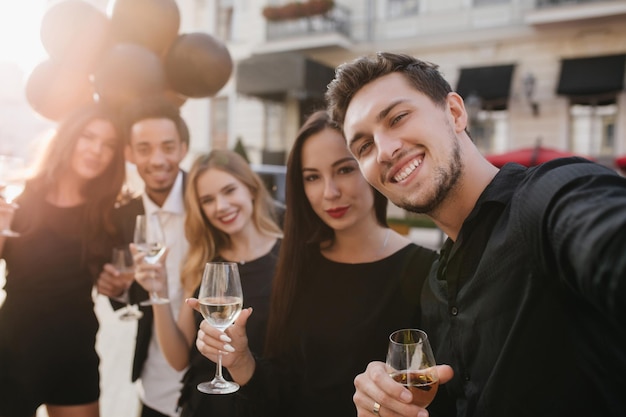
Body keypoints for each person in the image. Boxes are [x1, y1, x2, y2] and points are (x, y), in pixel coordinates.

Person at [325, 52, 626, 417]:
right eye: (364, 147)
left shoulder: (547, 198)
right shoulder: (435, 286)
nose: (385, 151)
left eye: (398, 118)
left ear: (454, 113)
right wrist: (389, 405)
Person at [192, 110, 437, 417]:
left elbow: (433, 393)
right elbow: (280, 390)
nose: (329, 192)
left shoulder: (425, 271)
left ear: (371, 163)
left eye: (344, 170)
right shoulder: (297, 262)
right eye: (312, 177)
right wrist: (241, 359)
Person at [132, 149, 283, 416]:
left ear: (250, 188)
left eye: (229, 191)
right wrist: (159, 294)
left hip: (267, 404)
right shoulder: (201, 260)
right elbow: (179, 360)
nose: (221, 206)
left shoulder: (290, 257)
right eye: (208, 200)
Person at [0, 103, 126, 417]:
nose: (97, 150)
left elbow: (121, 280)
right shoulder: (20, 199)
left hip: (76, 350)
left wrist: (121, 283)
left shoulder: (108, 214)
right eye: (88, 137)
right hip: (13, 350)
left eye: (108, 145)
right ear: (68, 138)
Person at [96, 97, 190, 417]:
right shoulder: (121, 217)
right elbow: (131, 295)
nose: (158, 159)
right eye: (144, 148)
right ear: (129, 154)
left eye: (167, 146)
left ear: (183, 148)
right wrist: (118, 288)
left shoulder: (209, 201)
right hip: (156, 382)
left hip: (215, 376)